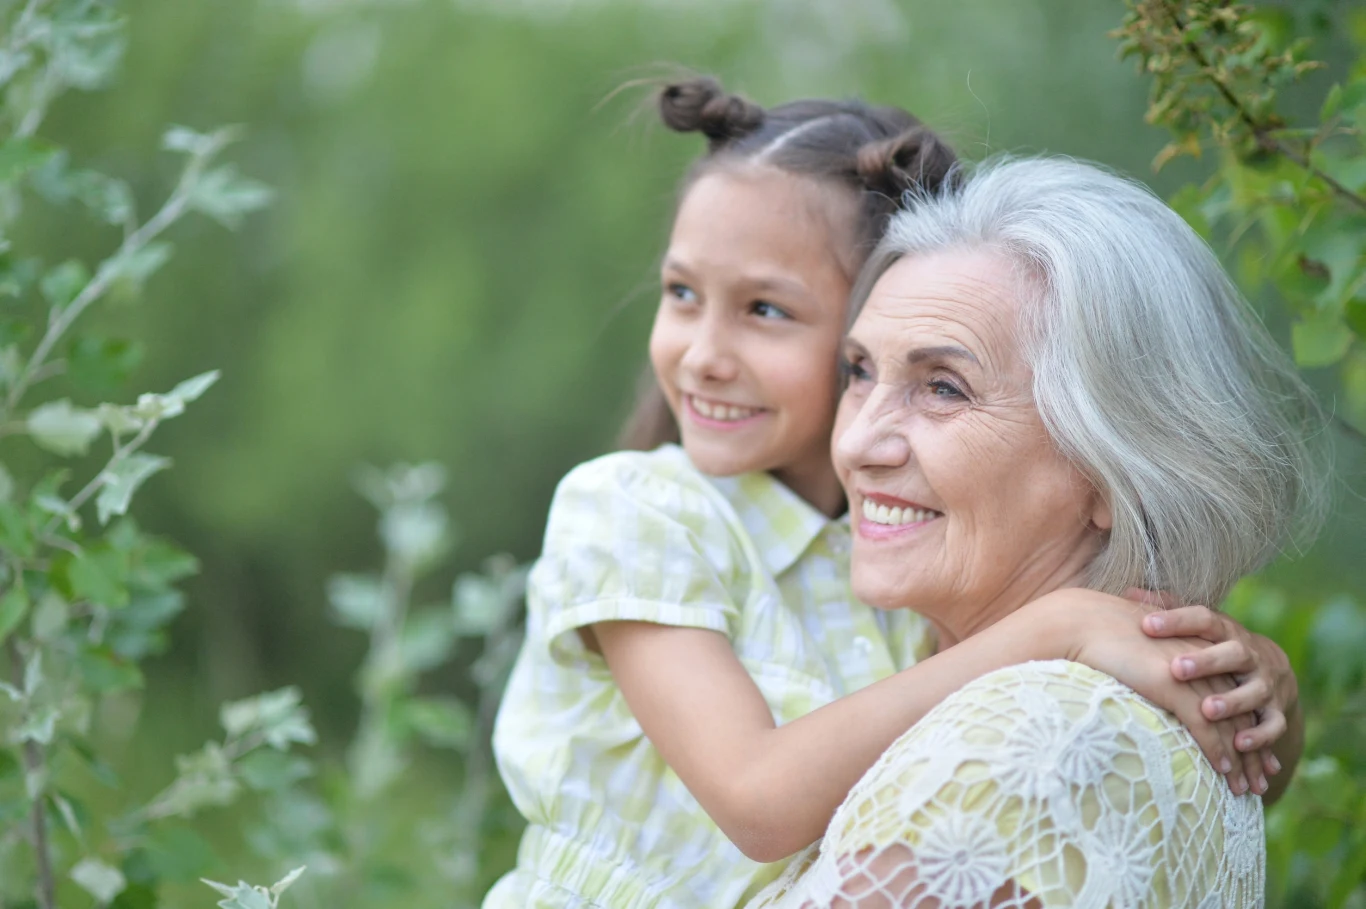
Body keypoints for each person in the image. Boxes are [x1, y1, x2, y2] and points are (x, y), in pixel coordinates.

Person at [484, 81, 1300, 909]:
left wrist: (1257, 692)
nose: (703, 356)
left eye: (766, 309)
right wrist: (1056, 629)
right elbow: (759, 801)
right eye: (681, 293)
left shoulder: (891, 572)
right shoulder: (641, 507)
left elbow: (1219, 771)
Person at [748, 155, 1329, 908]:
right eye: (860, 372)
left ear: (1112, 469)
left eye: (943, 387)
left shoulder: (1040, 743)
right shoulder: (986, 688)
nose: (858, 442)